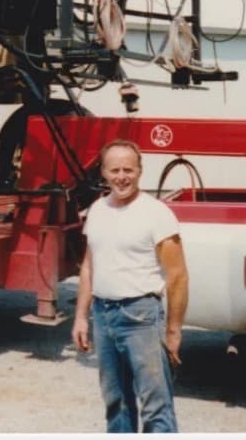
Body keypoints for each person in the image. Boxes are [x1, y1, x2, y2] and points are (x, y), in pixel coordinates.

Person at [72, 139, 189, 433]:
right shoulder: (97, 210)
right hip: (103, 315)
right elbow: (89, 265)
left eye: (128, 170)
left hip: (141, 318)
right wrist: (80, 317)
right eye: (114, 170)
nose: (121, 177)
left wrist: (173, 331)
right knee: (116, 403)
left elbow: (178, 276)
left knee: (156, 408)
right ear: (103, 172)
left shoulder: (156, 213)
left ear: (139, 171)